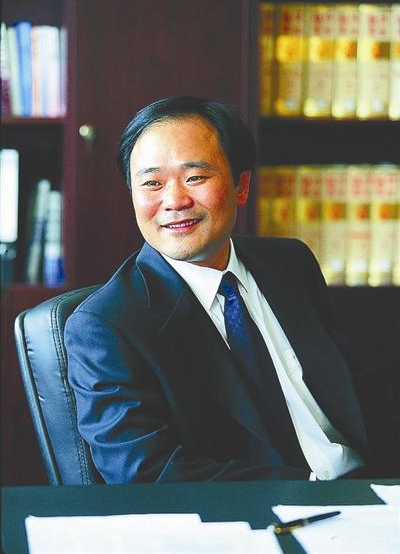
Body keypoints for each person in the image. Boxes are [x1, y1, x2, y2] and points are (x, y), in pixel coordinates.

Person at [65, 95, 398, 484]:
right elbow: (146, 473)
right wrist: (309, 494)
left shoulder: (289, 264)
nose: (174, 201)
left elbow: (361, 393)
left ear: (241, 186)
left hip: (370, 489)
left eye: (195, 178)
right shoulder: (107, 325)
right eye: (152, 183)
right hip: (267, 510)